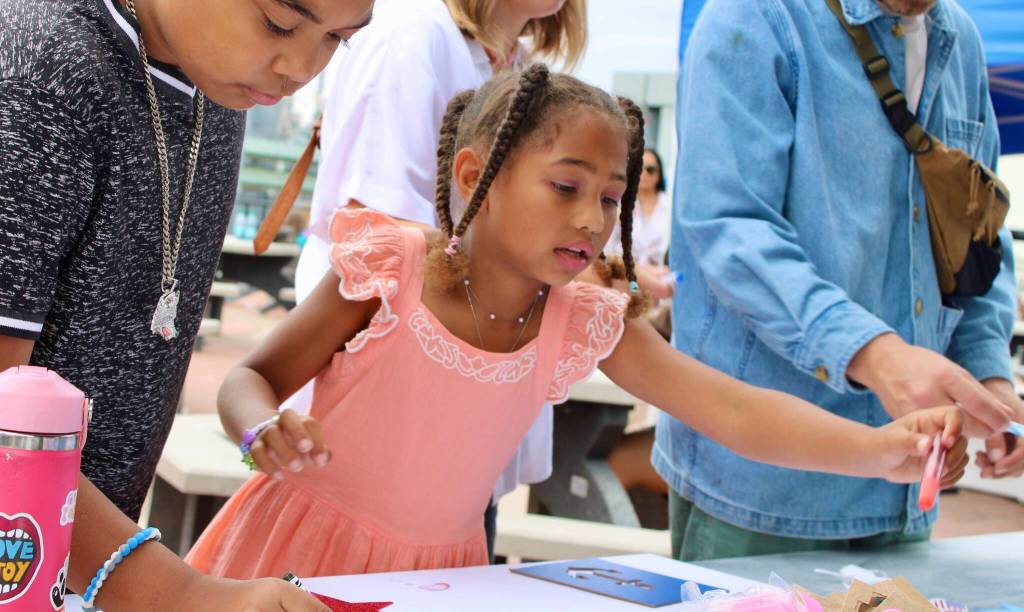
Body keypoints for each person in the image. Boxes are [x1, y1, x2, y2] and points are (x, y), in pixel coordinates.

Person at [186, 66, 967, 581]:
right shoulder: (390, 269)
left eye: (609, 197)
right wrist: (261, 429)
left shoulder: (580, 319)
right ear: (475, 179)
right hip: (291, 560)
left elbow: (729, 409)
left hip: (445, 578)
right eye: (566, 185)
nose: (593, 218)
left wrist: (880, 453)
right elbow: (254, 378)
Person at [0, 0, 371, 608]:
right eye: (279, 23)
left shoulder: (218, 87)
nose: (302, 67)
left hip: (73, 573)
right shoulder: (41, 69)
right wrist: (181, 594)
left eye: (338, 39)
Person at [658, 0, 1021, 562]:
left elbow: (977, 236)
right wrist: (879, 357)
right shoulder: (753, 16)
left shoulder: (960, 38)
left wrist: (987, 375)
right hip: (766, 485)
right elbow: (727, 227)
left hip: (906, 486)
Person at [292, 0, 586, 560]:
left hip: (465, 429)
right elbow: (379, 230)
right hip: (393, 421)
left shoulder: (518, 66)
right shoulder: (413, 36)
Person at [609, 148, 672, 269]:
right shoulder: (618, 203)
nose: (643, 174)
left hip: (661, 275)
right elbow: (608, 248)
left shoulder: (669, 205)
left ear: (659, 174)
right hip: (624, 273)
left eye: (650, 170)